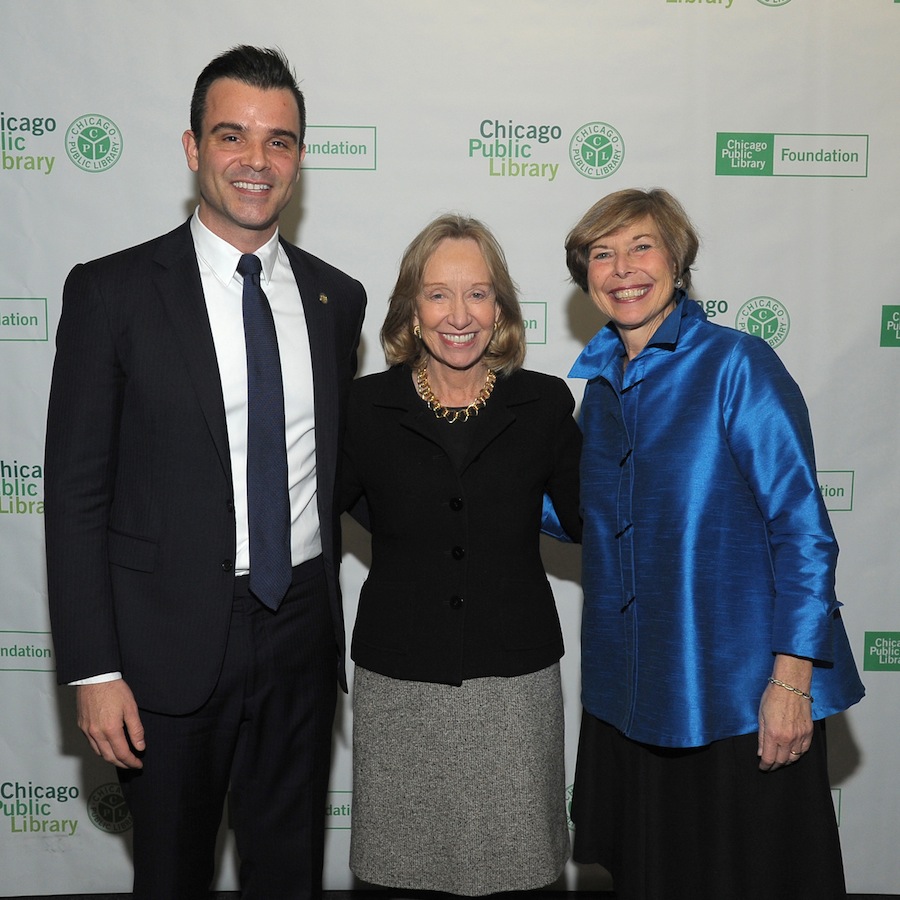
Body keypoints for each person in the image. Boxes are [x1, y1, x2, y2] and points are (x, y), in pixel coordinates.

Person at [44, 46, 366, 899]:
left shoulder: (340, 299)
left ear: (300, 157)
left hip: (300, 627)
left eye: (280, 141)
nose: (255, 161)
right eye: (233, 136)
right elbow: (74, 495)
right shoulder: (111, 293)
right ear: (192, 147)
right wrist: (93, 669)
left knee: (288, 871)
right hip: (165, 644)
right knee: (173, 875)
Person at [563, 188, 864, 899]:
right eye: (602, 253)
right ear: (585, 276)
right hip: (636, 696)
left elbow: (804, 531)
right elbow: (577, 512)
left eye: (642, 246)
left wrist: (791, 682)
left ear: (677, 259)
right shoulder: (598, 392)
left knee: (750, 878)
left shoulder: (738, 364)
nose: (623, 268)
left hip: (741, 699)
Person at [340, 214, 582, 896]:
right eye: (439, 293)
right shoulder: (363, 406)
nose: (459, 314)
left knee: (521, 872)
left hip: (514, 683)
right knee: (399, 874)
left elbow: (596, 519)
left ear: (500, 308)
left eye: (478, 293)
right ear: (411, 309)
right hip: (400, 682)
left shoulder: (542, 403)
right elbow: (317, 515)